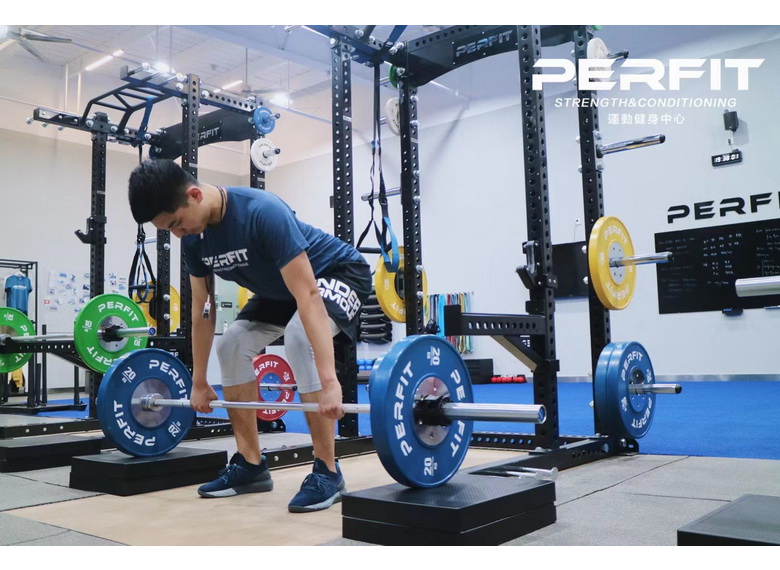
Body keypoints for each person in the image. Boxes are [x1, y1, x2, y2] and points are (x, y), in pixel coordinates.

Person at [127, 159, 371, 513]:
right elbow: (202, 308)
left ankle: (328, 471)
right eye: (169, 230)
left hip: (335, 273)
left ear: (195, 195)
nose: (178, 234)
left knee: (299, 336)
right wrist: (199, 381)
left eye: (176, 224)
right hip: (280, 290)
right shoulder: (194, 240)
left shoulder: (262, 212)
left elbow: (307, 294)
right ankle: (251, 465)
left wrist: (330, 382)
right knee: (232, 345)